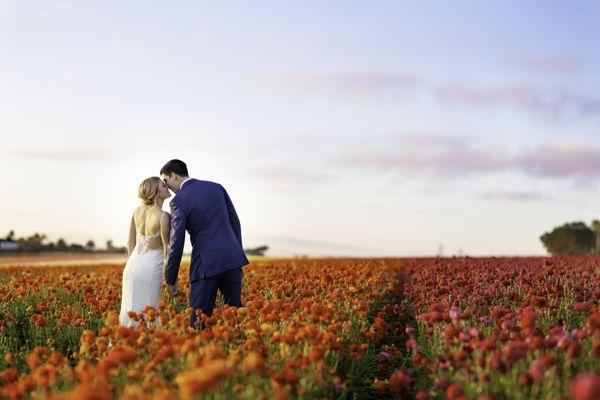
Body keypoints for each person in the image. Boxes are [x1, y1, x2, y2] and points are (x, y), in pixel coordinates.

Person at [160, 159, 249, 328]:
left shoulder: (179, 201)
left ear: (174, 176)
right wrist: (235, 251)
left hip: (206, 265)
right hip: (232, 260)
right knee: (235, 319)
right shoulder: (216, 187)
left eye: (166, 180)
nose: (167, 186)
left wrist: (170, 278)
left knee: (199, 321)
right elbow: (234, 221)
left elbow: (176, 241)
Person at [119, 177, 172, 328]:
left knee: (129, 309)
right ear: (156, 191)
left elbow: (130, 243)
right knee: (149, 311)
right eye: (163, 185)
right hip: (151, 269)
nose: (166, 186)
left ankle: (125, 342)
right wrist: (170, 277)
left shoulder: (136, 212)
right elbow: (167, 249)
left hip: (131, 267)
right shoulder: (163, 216)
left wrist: (135, 264)